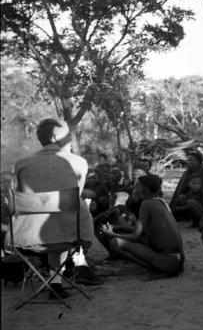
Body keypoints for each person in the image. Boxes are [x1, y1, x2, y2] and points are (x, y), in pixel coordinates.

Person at [9, 119, 96, 298]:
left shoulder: (21, 164)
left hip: (26, 236)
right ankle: (58, 279)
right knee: (66, 216)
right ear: (56, 136)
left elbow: (14, 200)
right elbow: (75, 196)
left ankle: (55, 283)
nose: (69, 141)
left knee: (55, 220)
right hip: (70, 233)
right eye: (67, 136)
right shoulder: (79, 162)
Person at [101, 174, 185, 280]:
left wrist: (112, 234)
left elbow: (136, 235)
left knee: (115, 243)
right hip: (177, 261)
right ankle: (156, 265)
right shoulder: (161, 202)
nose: (134, 189)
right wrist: (117, 227)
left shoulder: (147, 204)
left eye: (136, 186)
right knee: (134, 241)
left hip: (167, 262)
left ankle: (152, 267)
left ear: (144, 188)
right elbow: (145, 230)